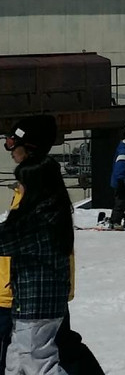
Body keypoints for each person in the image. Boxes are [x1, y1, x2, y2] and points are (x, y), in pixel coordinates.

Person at [1, 117, 104, 375]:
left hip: (31, 295)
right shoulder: (41, 186)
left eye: (14, 144)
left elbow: (13, 238)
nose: (10, 150)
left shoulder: (38, 194)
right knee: (23, 358)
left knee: (35, 358)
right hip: (30, 291)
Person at [0, 154, 73, 374]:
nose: (18, 189)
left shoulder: (41, 220)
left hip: (37, 306)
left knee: (38, 363)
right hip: (34, 304)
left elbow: (5, 240)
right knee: (17, 363)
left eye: (21, 184)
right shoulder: (52, 212)